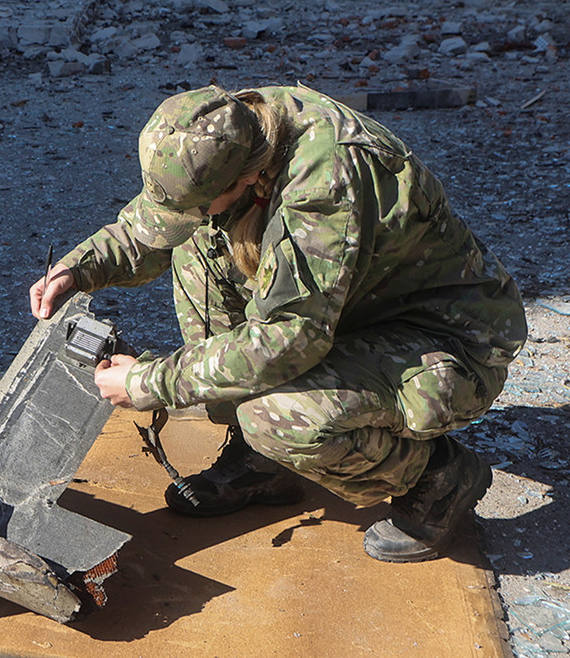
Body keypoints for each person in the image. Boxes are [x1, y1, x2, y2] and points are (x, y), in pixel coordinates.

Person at [29, 84, 526, 563]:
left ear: (246, 179)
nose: (194, 212)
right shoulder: (232, 130)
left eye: (205, 200)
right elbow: (158, 222)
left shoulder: (324, 182)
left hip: (447, 343)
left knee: (276, 415)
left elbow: (290, 339)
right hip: (353, 314)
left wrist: (150, 381)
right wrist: (79, 268)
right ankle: (261, 462)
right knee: (199, 243)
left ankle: (436, 479)